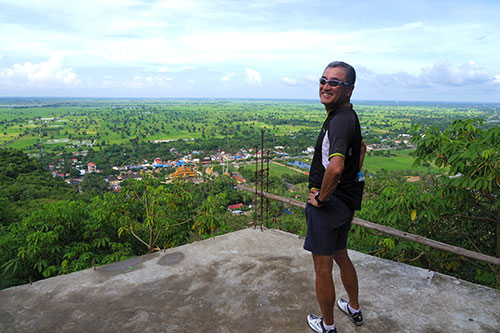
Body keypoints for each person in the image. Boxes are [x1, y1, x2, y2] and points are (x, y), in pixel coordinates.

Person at [304, 61, 366, 333]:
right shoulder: (348, 116)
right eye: (324, 80)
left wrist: (322, 198)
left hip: (330, 207)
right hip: (346, 203)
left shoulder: (338, 121)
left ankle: (327, 326)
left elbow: (336, 166)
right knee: (342, 256)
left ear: (349, 89)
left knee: (322, 269)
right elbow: (362, 149)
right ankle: (354, 308)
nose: (326, 86)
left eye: (335, 82)